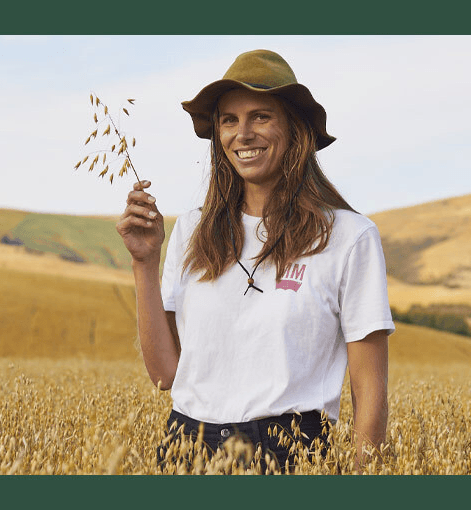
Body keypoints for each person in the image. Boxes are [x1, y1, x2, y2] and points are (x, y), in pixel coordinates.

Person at [116, 49, 394, 473]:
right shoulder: (191, 230)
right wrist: (145, 263)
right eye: (229, 120)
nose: (242, 134)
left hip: (291, 453)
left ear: (295, 128)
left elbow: (369, 390)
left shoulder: (349, 237)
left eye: (261, 116)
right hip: (185, 449)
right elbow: (166, 375)